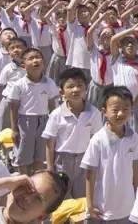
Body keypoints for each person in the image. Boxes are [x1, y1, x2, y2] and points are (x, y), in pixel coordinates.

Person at [81, 86, 138, 224]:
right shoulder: (98, 140)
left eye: (126, 109)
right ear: (104, 112)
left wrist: (136, 195)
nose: (120, 114)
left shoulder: (133, 137)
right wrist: (90, 204)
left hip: (127, 207)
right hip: (102, 208)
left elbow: (135, 169)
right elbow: (90, 174)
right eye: (115, 110)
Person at [42, 68, 102, 198]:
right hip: (63, 160)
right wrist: (50, 167)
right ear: (62, 92)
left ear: (86, 89)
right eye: (70, 86)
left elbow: (96, 140)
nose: (75, 90)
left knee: (82, 195)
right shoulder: (56, 115)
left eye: (80, 85)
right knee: (62, 195)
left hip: (84, 159)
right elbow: (50, 143)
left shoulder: (94, 113)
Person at [8, 49, 60, 175]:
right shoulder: (19, 84)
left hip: (44, 120)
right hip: (25, 122)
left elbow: (52, 105)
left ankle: (37, 181)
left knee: (40, 155)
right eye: (30, 58)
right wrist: (14, 128)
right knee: (24, 155)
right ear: (23, 65)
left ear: (43, 62)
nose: (35, 60)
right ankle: (24, 179)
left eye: (38, 57)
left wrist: (55, 125)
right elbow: (13, 106)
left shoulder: (49, 83)